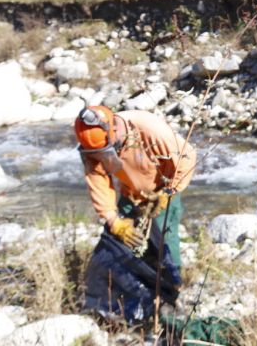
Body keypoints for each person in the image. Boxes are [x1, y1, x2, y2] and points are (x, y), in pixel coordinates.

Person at [74, 105, 196, 269]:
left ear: (114, 129)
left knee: (164, 241)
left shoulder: (150, 129)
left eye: (106, 152)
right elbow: (98, 178)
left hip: (163, 191)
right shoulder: (93, 145)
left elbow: (187, 158)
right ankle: (131, 285)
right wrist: (113, 220)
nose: (102, 157)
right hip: (130, 194)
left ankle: (171, 285)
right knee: (117, 242)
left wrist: (168, 192)